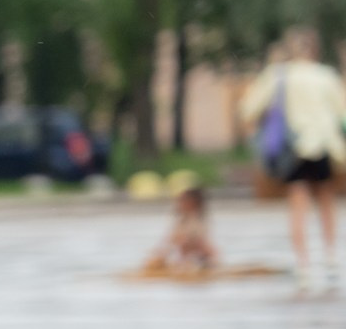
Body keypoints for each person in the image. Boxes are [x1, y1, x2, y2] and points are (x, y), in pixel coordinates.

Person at [241, 33, 344, 295]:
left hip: (293, 148)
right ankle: (331, 259)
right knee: (326, 202)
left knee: (298, 205)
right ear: (315, 51)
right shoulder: (325, 76)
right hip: (322, 145)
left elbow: (248, 108)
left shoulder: (278, 75)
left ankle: (303, 267)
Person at [141, 185, 220, 278]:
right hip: (184, 258)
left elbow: (194, 240)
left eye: (183, 200)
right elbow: (171, 241)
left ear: (193, 203)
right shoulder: (181, 221)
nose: (180, 203)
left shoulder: (198, 221)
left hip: (200, 258)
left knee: (187, 244)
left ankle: (194, 265)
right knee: (156, 257)